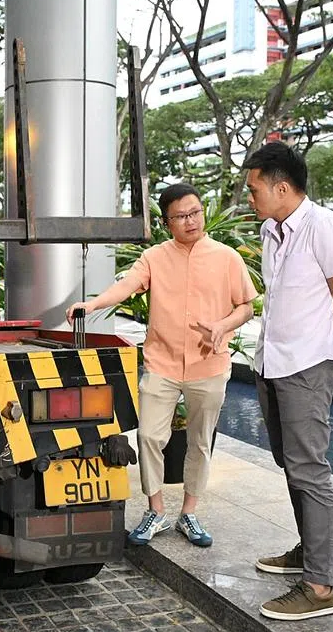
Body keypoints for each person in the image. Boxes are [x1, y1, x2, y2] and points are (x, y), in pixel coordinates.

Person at [66, 183, 256, 549]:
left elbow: (246, 306)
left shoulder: (226, 257)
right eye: (181, 216)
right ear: (167, 221)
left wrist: (222, 326)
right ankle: (155, 509)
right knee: (150, 436)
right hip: (162, 362)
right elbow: (126, 286)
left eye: (195, 213)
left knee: (200, 442)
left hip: (209, 364)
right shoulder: (154, 257)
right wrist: (91, 306)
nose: (190, 221)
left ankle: (190, 511)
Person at [243, 142, 333, 621]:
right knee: (289, 463)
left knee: (309, 469)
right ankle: (306, 552)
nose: (250, 198)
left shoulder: (324, 226)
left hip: (306, 366)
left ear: (282, 187)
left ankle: (319, 586)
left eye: (255, 190)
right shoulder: (273, 231)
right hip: (272, 364)